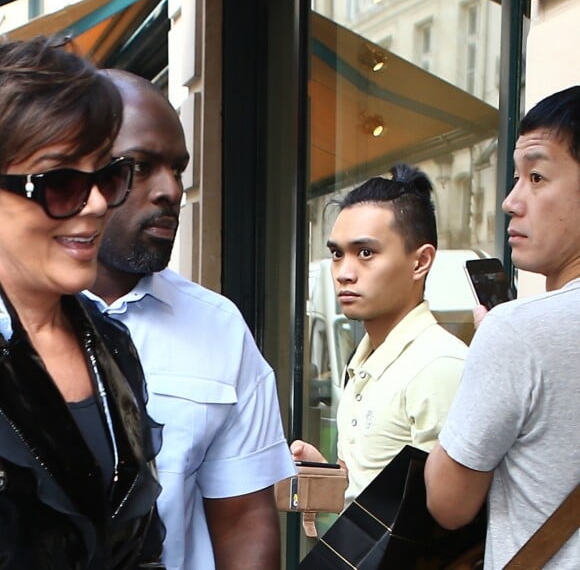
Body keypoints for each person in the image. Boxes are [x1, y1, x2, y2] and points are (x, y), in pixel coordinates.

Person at [84, 69, 296, 570]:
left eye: (178, 169)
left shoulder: (218, 327)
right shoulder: (17, 318)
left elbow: (245, 519)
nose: (170, 191)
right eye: (140, 165)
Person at [0, 37, 164, 568]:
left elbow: (141, 547)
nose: (96, 204)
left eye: (109, 176)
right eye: (62, 182)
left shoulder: (112, 341)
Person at [424, 86, 580, 569]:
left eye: (537, 176)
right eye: (517, 177)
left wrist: (490, 356)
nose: (511, 201)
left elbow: (448, 504)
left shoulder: (516, 332)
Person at [292, 164, 468, 506]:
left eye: (366, 253)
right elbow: (370, 492)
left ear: (421, 262)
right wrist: (330, 477)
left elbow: (441, 521)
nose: (344, 272)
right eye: (337, 254)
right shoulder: (365, 356)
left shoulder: (439, 365)